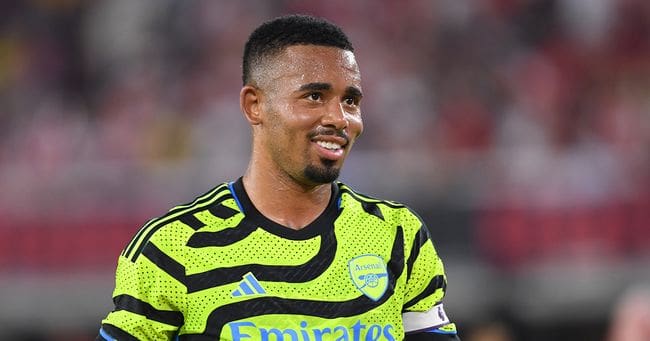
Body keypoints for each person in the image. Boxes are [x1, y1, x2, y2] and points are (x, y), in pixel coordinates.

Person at [97, 14, 459, 341]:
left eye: (350, 101)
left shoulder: (399, 235)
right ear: (255, 105)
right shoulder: (172, 247)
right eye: (314, 96)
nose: (339, 118)